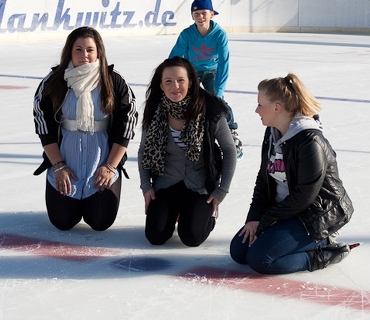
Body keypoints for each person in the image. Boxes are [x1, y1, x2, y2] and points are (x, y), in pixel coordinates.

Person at [230, 73, 355, 274]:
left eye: (260, 105)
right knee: (239, 252)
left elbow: (304, 197)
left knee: (261, 260)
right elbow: (264, 179)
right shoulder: (272, 132)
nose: (256, 110)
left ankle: (323, 250)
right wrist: (254, 218)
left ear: (276, 108)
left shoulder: (309, 142)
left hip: (316, 214)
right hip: (284, 210)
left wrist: (265, 221)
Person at [32, 26, 138, 231]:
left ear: (99, 51)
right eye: (78, 49)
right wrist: (59, 166)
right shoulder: (55, 80)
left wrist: (110, 166)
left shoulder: (113, 80)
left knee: (100, 222)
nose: (85, 55)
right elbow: (42, 124)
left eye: (90, 49)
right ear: (69, 52)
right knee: (63, 222)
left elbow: (127, 123)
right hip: (65, 163)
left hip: (102, 164)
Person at [139, 57, 238, 247]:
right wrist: (146, 186)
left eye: (180, 80)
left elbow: (229, 150)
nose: (175, 86)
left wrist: (221, 191)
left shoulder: (210, 109)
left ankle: (204, 215)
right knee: (156, 236)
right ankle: (174, 212)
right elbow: (144, 150)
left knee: (191, 237)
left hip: (199, 185)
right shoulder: (154, 111)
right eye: (168, 81)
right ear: (160, 85)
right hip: (166, 183)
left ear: (191, 82)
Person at [169, 0, 242, 158]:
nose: (200, 17)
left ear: (211, 14)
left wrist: (219, 90)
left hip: (212, 71)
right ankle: (185, 136)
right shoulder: (187, 34)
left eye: (204, 13)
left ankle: (231, 132)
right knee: (185, 101)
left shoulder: (219, 34)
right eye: (196, 14)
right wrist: (169, 75)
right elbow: (174, 57)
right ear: (192, 16)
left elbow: (224, 62)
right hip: (191, 71)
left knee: (218, 101)